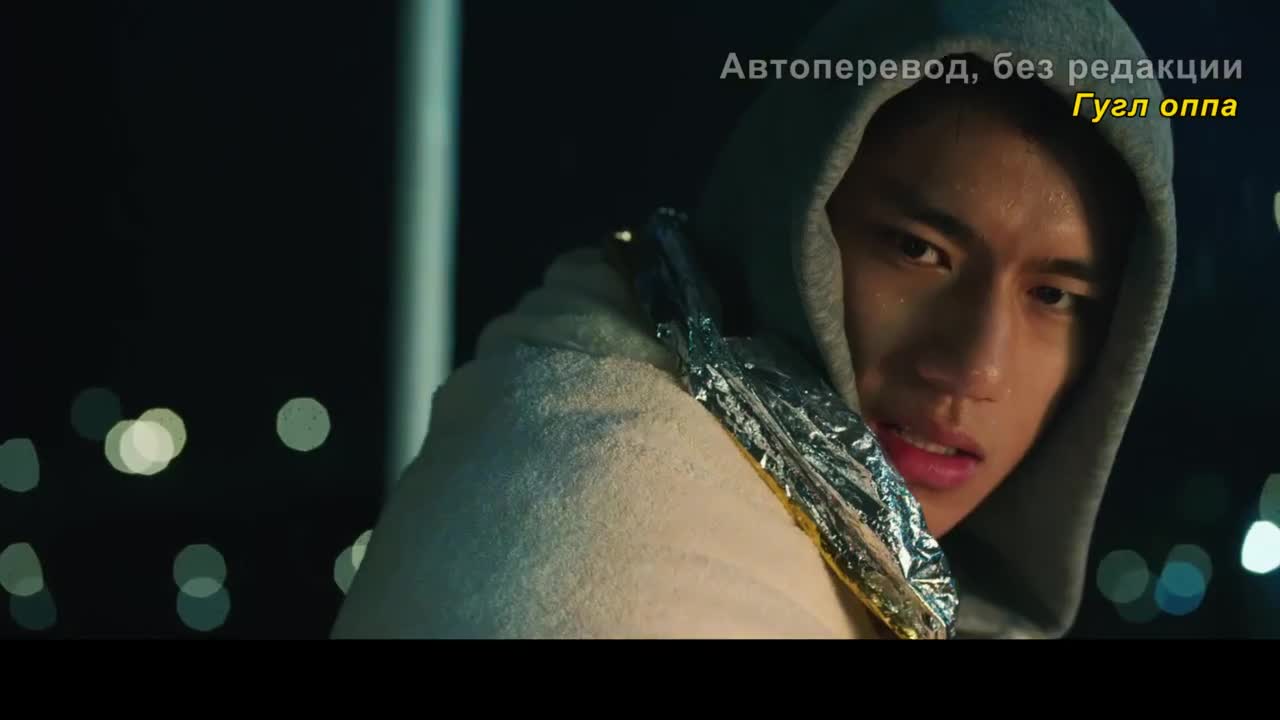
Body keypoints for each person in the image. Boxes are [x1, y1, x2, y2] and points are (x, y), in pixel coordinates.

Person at [331, 0, 1176, 639]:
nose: (975, 367)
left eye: (1055, 296)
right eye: (919, 250)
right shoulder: (603, 536)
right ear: (787, 219)